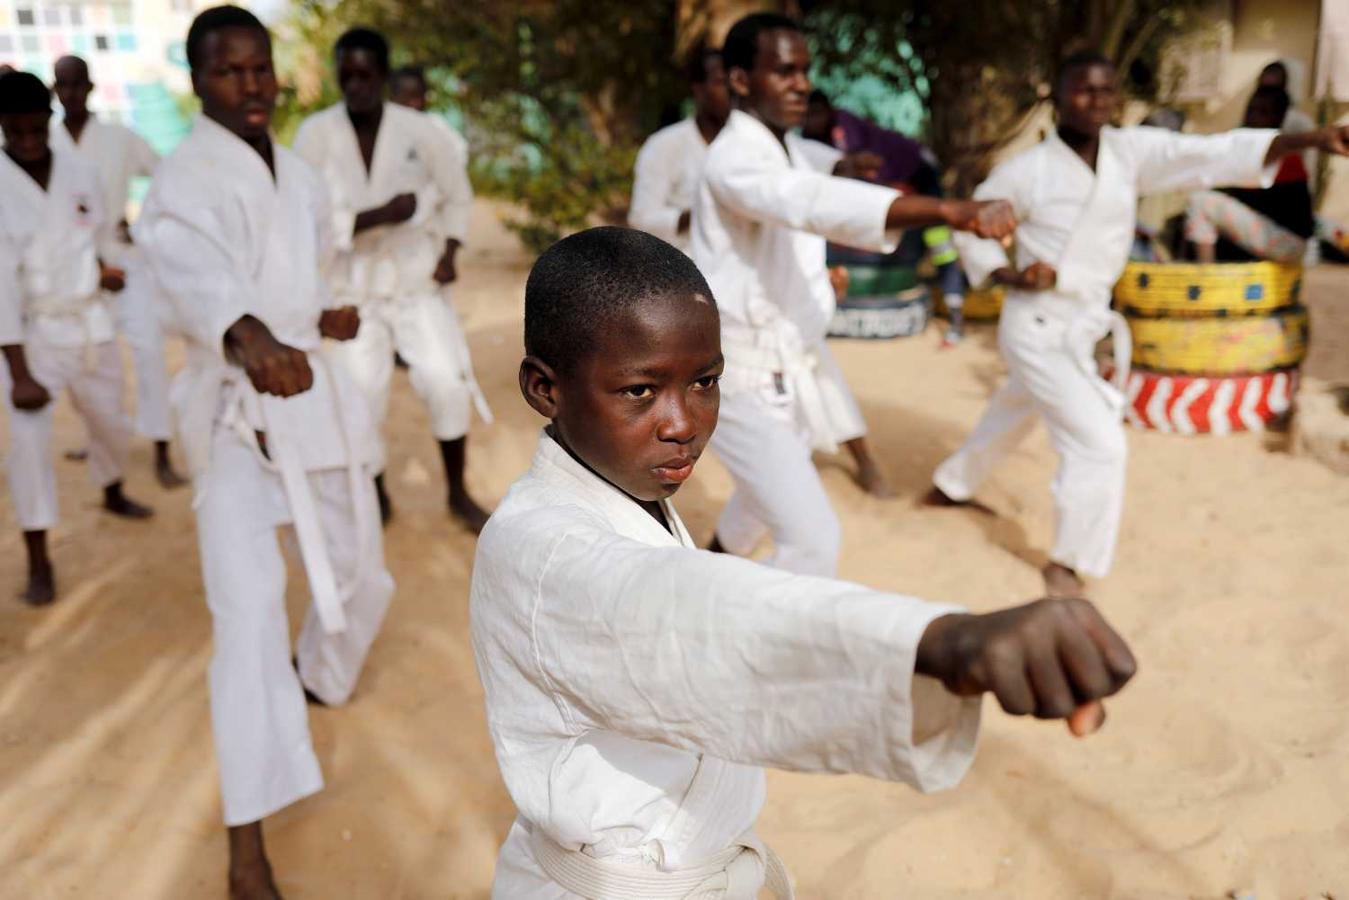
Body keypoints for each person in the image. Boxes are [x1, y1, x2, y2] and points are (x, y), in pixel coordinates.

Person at [471, 225, 1137, 898]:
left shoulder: (625, 488)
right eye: (640, 391)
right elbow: (690, 614)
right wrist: (938, 641)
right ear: (544, 389)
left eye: (704, 381)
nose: (683, 421)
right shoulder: (541, 549)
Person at [134, 9, 394, 897]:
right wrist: (249, 337)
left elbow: (307, 273)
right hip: (238, 414)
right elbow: (193, 275)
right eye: (229, 71)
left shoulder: (302, 174)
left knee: (362, 578)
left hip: (311, 397)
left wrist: (322, 317)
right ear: (198, 80)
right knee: (246, 622)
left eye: (261, 69)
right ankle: (247, 841)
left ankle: (314, 678)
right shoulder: (180, 184)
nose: (251, 86)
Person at [930, 51, 1349, 598]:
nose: (1098, 101)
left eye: (1107, 91)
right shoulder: (1026, 172)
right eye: (1084, 90)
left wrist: (1311, 140)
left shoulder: (1130, 153)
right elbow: (969, 227)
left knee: (1016, 409)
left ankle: (950, 485)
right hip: (1036, 323)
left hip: (1084, 323)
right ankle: (1067, 563)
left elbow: (1210, 154)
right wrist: (1009, 273)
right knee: (1101, 445)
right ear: (1055, 98)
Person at [692, 13, 1015, 576]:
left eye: (805, 72)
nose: (801, 85)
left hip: (787, 366)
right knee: (814, 542)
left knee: (758, 507)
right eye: (784, 72)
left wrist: (844, 167)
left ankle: (701, 578)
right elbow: (808, 200)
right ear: (741, 80)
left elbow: (813, 175)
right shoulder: (734, 158)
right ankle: (752, 644)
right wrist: (948, 210)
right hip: (741, 376)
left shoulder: (782, 146)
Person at [294, 28, 492, 531]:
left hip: (413, 282)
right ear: (337, 74)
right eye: (347, 74)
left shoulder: (422, 131)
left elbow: (457, 195)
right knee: (360, 395)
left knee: (447, 381)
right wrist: (376, 214)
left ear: (383, 75)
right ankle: (376, 491)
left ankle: (456, 491)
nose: (356, 84)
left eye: (366, 74)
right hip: (354, 291)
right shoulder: (315, 136)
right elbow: (304, 218)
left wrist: (449, 249)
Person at [0, 69, 153, 606]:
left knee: (111, 422)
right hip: (31, 337)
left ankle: (112, 489)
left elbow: (103, 236)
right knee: (29, 450)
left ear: (49, 120)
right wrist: (18, 372)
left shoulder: (81, 170)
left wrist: (110, 267)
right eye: (13, 131)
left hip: (90, 323)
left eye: (34, 128)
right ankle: (39, 558)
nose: (26, 140)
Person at [49, 54, 186, 488]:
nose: (71, 93)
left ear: (90, 88)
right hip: (72, 272)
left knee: (148, 353)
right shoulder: (45, 142)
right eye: (63, 85)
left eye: (77, 84)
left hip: (124, 262)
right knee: (89, 360)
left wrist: (141, 226)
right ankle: (101, 442)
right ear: (55, 90)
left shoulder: (119, 137)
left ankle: (162, 449)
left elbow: (166, 178)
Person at [803, 89, 970, 344]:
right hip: (897, 183)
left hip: (920, 171)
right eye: (807, 115)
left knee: (940, 242)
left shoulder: (844, 129)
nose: (810, 120)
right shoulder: (809, 141)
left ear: (828, 111)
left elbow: (858, 182)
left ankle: (955, 314)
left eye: (816, 114)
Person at [1185, 87, 1315, 264]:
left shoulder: (1283, 156)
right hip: (1272, 236)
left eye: (1263, 112)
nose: (1253, 117)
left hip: (1287, 244)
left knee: (1200, 202)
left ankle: (1205, 276)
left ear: (1278, 119)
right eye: (1251, 110)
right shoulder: (1250, 149)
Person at [627, 46, 732, 254]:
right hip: (687, 274)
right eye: (721, 82)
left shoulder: (753, 146)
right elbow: (640, 220)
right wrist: (700, 214)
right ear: (698, 89)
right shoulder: (664, 145)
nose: (731, 92)